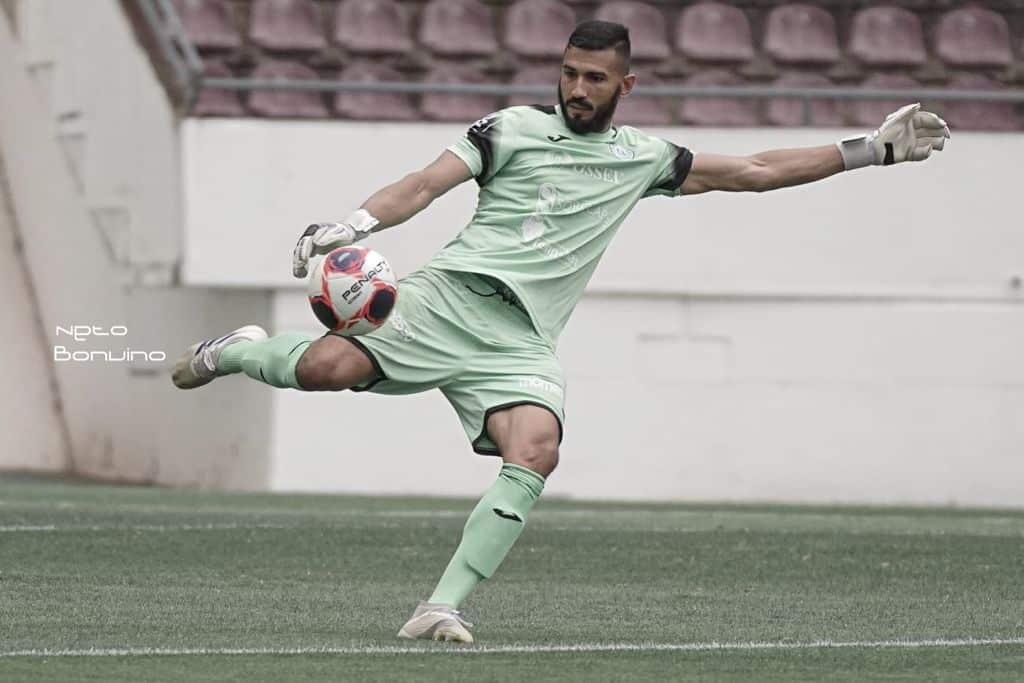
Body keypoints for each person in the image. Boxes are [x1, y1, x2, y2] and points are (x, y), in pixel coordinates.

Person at [171, 21, 949, 643]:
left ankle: (439, 607)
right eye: (570, 74)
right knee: (324, 371)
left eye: (595, 79)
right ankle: (237, 348)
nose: (578, 89)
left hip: (520, 340)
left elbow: (755, 170)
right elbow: (422, 185)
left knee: (536, 450)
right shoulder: (508, 127)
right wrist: (354, 221)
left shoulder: (644, 158)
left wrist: (871, 150)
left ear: (626, 84)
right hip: (447, 295)